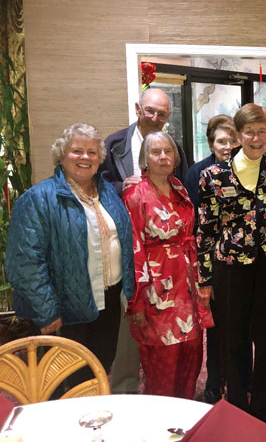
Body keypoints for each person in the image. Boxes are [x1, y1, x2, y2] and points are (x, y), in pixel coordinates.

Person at [5, 123, 134, 382]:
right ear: (61, 156)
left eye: (92, 152)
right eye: (77, 151)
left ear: (100, 158)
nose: (85, 158)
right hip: (64, 310)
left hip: (107, 302)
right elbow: (25, 262)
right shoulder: (38, 199)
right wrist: (47, 312)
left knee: (99, 370)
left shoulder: (107, 193)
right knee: (64, 380)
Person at [197, 103, 266, 421]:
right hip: (230, 268)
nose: (256, 138)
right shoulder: (213, 176)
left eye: (262, 131)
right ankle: (237, 404)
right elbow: (206, 230)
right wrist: (204, 279)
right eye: (249, 131)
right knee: (232, 339)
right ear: (237, 135)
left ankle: (265, 408)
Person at [101, 86, 189, 394]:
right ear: (138, 108)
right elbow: (95, 184)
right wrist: (120, 186)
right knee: (130, 338)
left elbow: (183, 189)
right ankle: (124, 394)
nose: (154, 117)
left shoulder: (172, 145)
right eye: (150, 110)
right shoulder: (113, 144)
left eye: (162, 113)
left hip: (174, 271)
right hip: (132, 254)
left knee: (166, 345)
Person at [123, 131, 209, 399]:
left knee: (191, 356)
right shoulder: (136, 194)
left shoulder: (179, 187)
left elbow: (191, 234)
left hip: (187, 287)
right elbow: (134, 247)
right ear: (144, 158)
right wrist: (136, 300)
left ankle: (186, 421)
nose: (163, 157)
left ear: (175, 157)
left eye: (168, 151)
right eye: (155, 152)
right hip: (156, 289)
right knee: (163, 362)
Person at [183, 114, 244, 404]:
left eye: (233, 139)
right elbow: (193, 221)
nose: (228, 145)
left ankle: (240, 380)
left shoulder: (246, 168)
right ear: (211, 143)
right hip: (210, 260)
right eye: (222, 140)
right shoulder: (198, 173)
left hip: (242, 261)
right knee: (216, 327)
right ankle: (214, 381)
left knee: (240, 325)